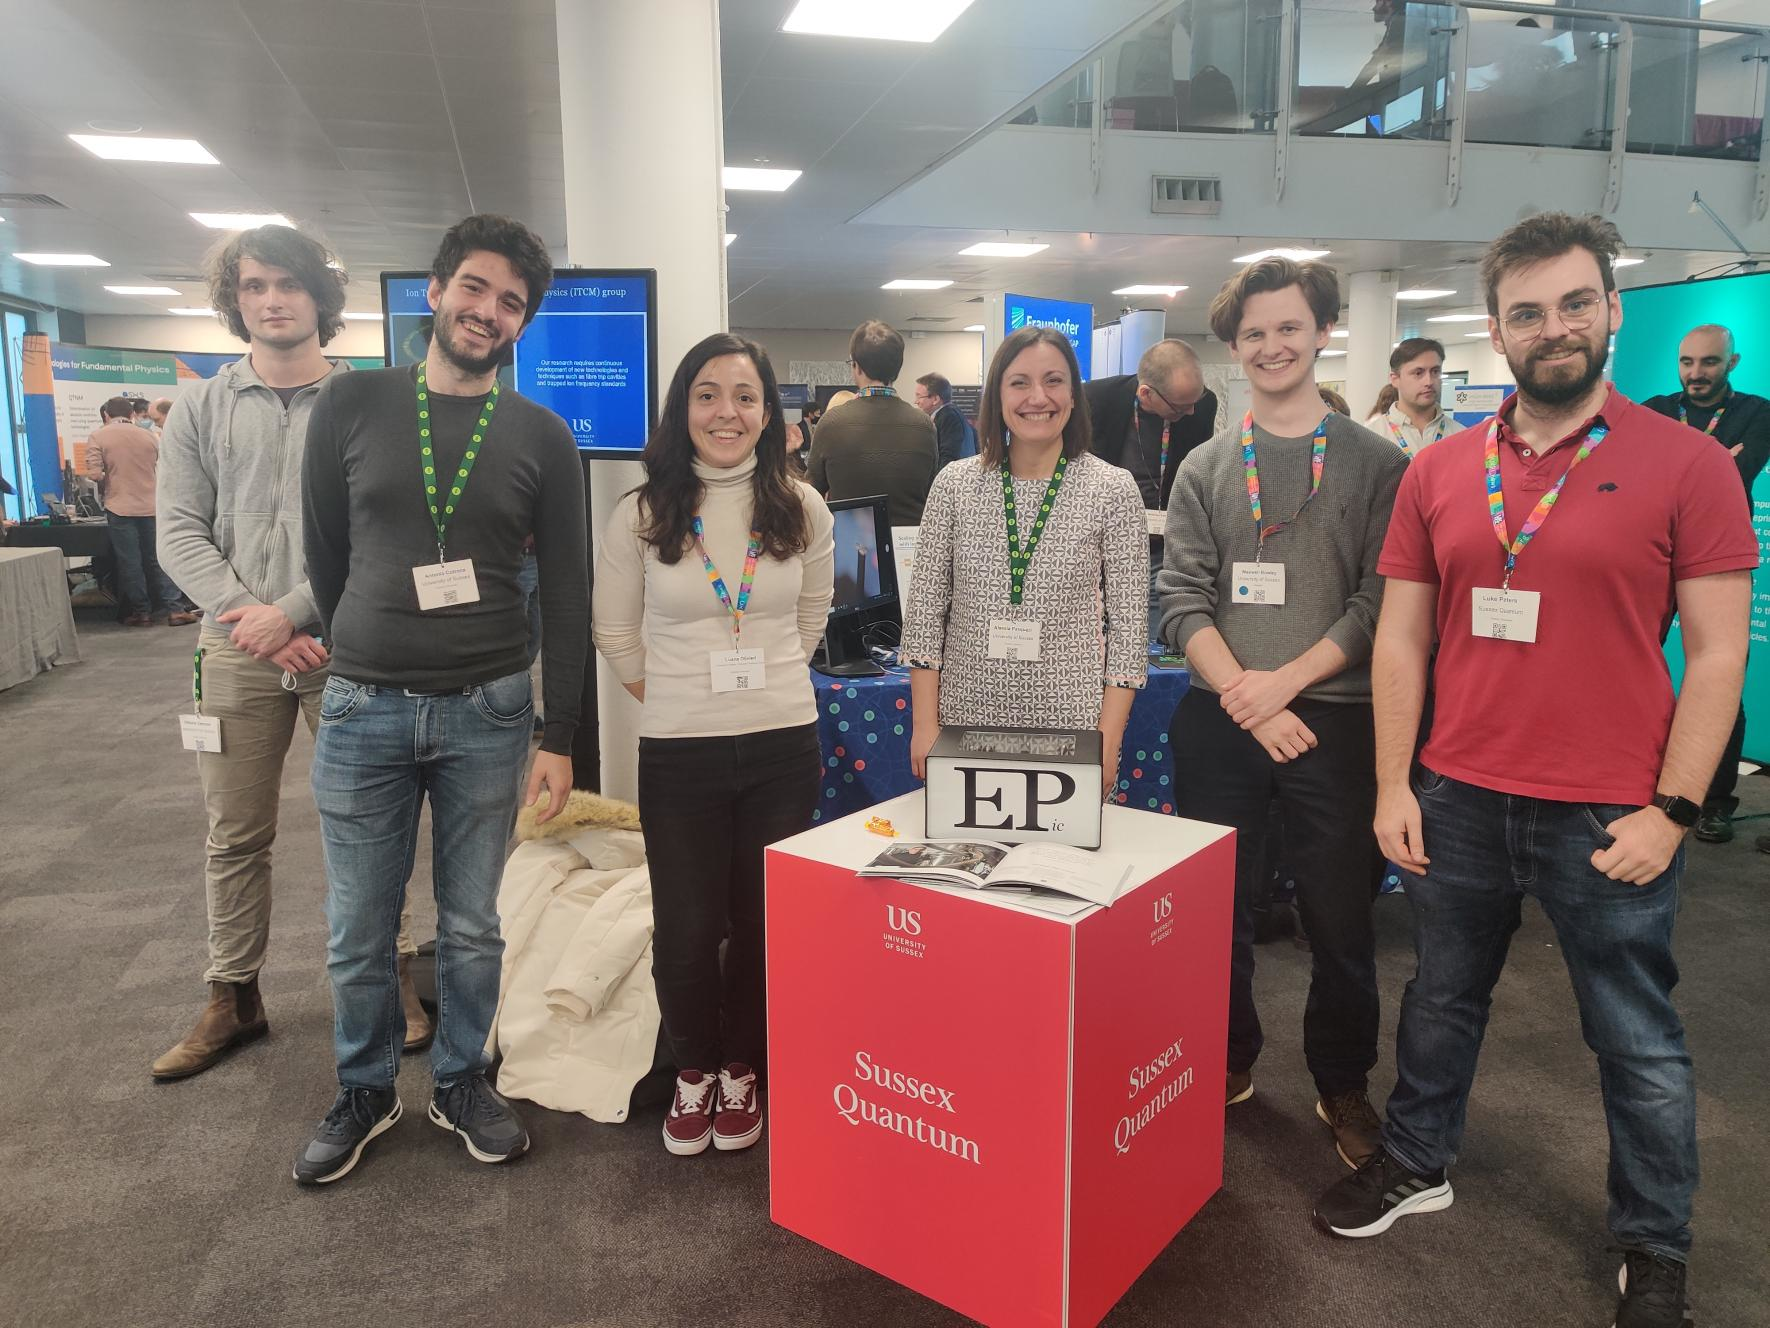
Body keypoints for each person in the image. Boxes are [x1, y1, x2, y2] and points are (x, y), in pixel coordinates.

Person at [1313, 214, 1756, 1328]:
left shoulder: (1688, 463)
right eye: (1526, 312)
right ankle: (1417, 1159)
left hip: (1613, 806)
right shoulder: (1446, 468)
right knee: (1442, 997)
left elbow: (1716, 653)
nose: (1551, 328)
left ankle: (1654, 1241)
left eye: (1573, 304)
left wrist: (1674, 807)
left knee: (1637, 1036)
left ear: (1612, 310)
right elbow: (1403, 639)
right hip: (1458, 791)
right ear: (1498, 332)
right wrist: (1392, 782)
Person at [295, 214, 588, 1185]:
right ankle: (366, 1089)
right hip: (364, 702)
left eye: (511, 302)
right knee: (358, 926)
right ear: (436, 290)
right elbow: (328, 552)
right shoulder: (351, 403)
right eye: (476, 288)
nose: (488, 311)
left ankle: (463, 1079)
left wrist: (564, 733)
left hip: (490, 709)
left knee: (472, 922)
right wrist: (371, 638)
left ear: (522, 324)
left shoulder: (544, 435)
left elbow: (573, 596)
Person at [156, 225, 422, 1082]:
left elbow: (382, 529)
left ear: (320, 298)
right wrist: (252, 616)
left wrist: (297, 613)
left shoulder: (371, 400)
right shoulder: (201, 404)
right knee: (234, 833)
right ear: (235, 300)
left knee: (371, 825)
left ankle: (393, 979)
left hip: (346, 644)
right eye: (255, 285)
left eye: (289, 285)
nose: (272, 299)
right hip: (233, 649)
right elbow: (177, 533)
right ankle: (232, 995)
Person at [1157, 257, 1406, 1169]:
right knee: (1213, 914)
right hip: (1224, 715)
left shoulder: (1379, 463)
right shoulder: (1206, 465)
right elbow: (1181, 600)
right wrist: (1247, 700)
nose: (1272, 345)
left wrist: (1284, 686)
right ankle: (1224, 1059)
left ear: (1323, 332)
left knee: (1340, 919)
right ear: (1233, 347)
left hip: (1332, 718)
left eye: (1289, 328)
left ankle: (1342, 1083)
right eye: (1254, 333)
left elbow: (1382, 604)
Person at [593, 332, 833, 1157]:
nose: (725, 412)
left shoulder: (802, 508)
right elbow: (616, 633)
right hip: (678, 751)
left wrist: (764, 683)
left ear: (770, 413)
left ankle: (744, 1065)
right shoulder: (644, 511)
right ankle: (694, 1068)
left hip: (782, 746)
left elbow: (811, 619)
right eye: (707, 394)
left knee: (763, 921)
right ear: (682, 408)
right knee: (687, 926)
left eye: (744, 396)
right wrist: (678, 699)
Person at [902, 325, 1147, 800]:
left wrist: (1108, 741)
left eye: (1054, 381)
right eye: (1020, 382)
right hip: (965, 724)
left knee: (1061, 869)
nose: (1039, 397)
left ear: (1074, 395)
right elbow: (925, 617)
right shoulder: (954, 486)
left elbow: (1130, 630)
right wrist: (924, 725)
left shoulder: (1112, 490)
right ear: (997, 396)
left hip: (1072, 729)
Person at [1642, 324, 1770, 844]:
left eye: (1709, 363)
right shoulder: (1652, 407)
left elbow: (1737, 476)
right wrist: (1715, 455)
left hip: (1716, 559)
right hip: (1651, 553)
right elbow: (1641, 475)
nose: (1696, 374)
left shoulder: (1759, 412)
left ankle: (1713, 802)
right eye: (1687, 362)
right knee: (1630, 666)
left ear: (1732, 363)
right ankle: (1633, 783)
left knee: (1719, 680)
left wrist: (1674, 462)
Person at [1085, 338, 1218, 641]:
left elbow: (1196, 470)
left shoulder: (1201, 405)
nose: (1192, 411)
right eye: (1182, 406)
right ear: (1146, 393)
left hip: (1163, 545)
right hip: (1105, 547)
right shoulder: (1096, 399)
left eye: (1195, 401)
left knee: (1154, 640)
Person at [806, 320, 938, 526]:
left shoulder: (832, 422)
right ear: (897, 369)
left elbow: (812, 495)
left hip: (851, 548)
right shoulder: (923, 425)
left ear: (856, 366)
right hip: (911, 550)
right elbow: (931, 491)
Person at [85, 397, 196, 627]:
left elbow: (95, 474)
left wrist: (111, 476)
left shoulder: (98, 436)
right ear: (132, 414)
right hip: (152, 506)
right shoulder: (149, 435)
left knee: (130, 562)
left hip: (120, 507)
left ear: (106, 414)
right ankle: (175, 609)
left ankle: (142, 612)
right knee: (159, 559)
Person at [1365, 337, 1453, 456]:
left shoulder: (1461, 435)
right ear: (1395, 379)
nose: (1429, 381)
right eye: (1418, 373)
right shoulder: (1372, 437)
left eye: (1435, 372)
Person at [913, 371, 977, 468]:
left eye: (919, 396)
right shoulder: (953, 414)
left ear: (935, 399)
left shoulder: (949, 417)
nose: (916, 402)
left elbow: (947, 459)